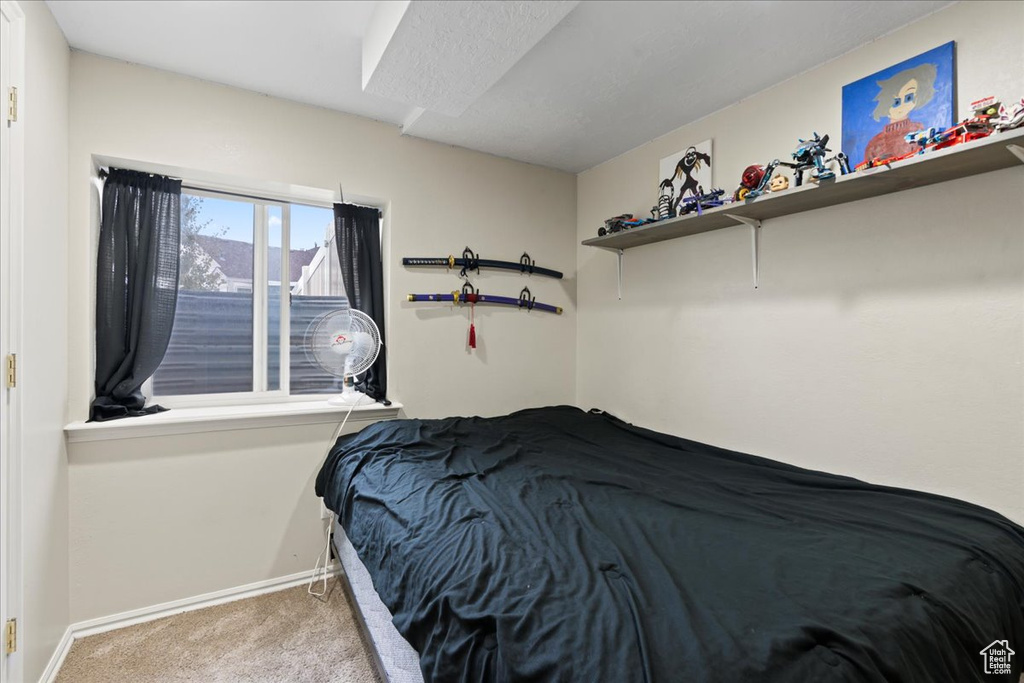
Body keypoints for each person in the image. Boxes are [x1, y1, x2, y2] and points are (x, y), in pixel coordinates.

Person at [863, 63, 937, 163]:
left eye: (908, 98)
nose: (902, 105)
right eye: (896, 102)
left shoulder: (919, 131)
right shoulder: (874, 144)